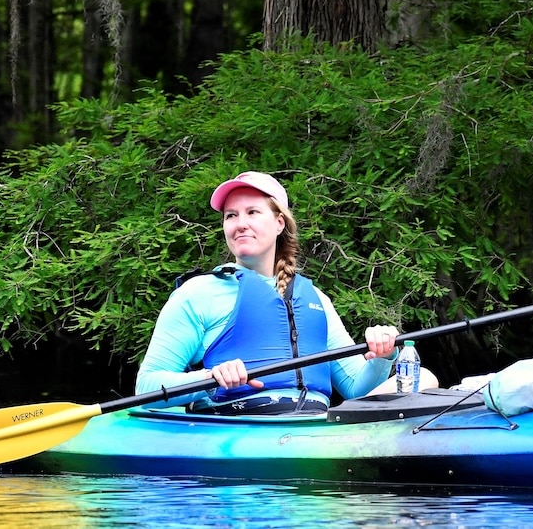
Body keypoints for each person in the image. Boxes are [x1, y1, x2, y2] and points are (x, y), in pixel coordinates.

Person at [135, 171, 437, 414]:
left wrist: (382, 356)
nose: (240, 224)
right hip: (238, 425)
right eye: (231, 216)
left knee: (424, 379)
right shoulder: (199, 293)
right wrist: (208, 378)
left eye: (252, 212)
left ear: (279, 222)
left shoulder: (315, 299)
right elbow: (146, 387)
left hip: (314, 426)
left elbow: (357, 388)